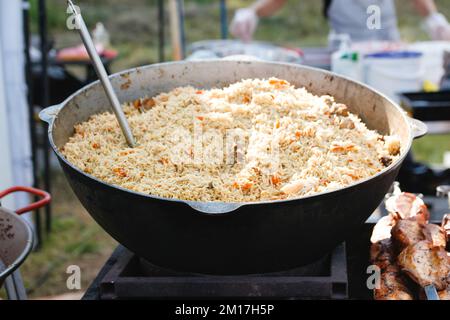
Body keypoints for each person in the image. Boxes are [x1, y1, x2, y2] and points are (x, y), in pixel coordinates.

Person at [230, 0, 450, 43]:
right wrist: (252, 12)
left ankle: (407, 162)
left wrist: (433, 17)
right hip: (347, 49)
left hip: (388, 43)